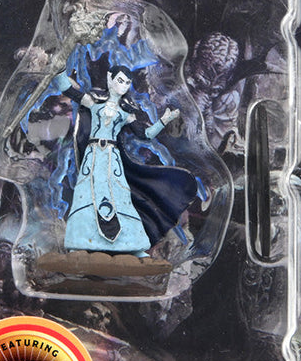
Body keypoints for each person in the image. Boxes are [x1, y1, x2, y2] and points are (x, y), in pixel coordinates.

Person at [54, 63, 196, 255]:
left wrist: (164, 121)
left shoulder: (125, 113)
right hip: (93, 156)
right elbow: (67, 90)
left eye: (127, 82)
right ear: (109, 78)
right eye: (120, 80)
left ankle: (134, 246)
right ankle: (77, 242)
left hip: (112, 159)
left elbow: (145, 134)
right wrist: (59, 69)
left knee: (120, 199)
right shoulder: (93, 102)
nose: (123, 86)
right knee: (86, 195)